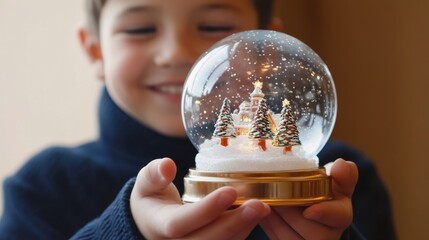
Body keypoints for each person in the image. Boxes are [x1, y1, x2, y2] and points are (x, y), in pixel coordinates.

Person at [0, 0, 396, 239]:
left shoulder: (335, 183)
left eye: (214, 27)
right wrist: (128, 232)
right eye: (140, 28)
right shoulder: (47, 185)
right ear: (95, 51)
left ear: (266, 49)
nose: (176, 53)